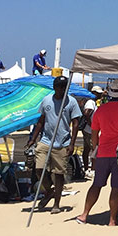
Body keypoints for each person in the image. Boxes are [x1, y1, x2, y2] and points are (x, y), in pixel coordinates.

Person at [77, 79, 118, 226]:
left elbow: (94, 133)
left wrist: (95, 148)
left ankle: (84, 214)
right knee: (116, 187)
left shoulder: (101, 110)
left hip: (103, 152)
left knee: (97, 184)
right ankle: (112, 219)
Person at [26, 75, 82, 214]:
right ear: (55, 87)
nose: (62, 90)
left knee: (58, 174)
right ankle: (49, 192)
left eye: (65, 87)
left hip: (62, 143)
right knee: (39, 169)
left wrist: (72, 144)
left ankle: (56, 204)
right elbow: (41, 120)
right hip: (45, 140)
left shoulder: (72, 102)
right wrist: (33, 139)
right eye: (60, 87)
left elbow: (75, 124)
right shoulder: (46, 100)